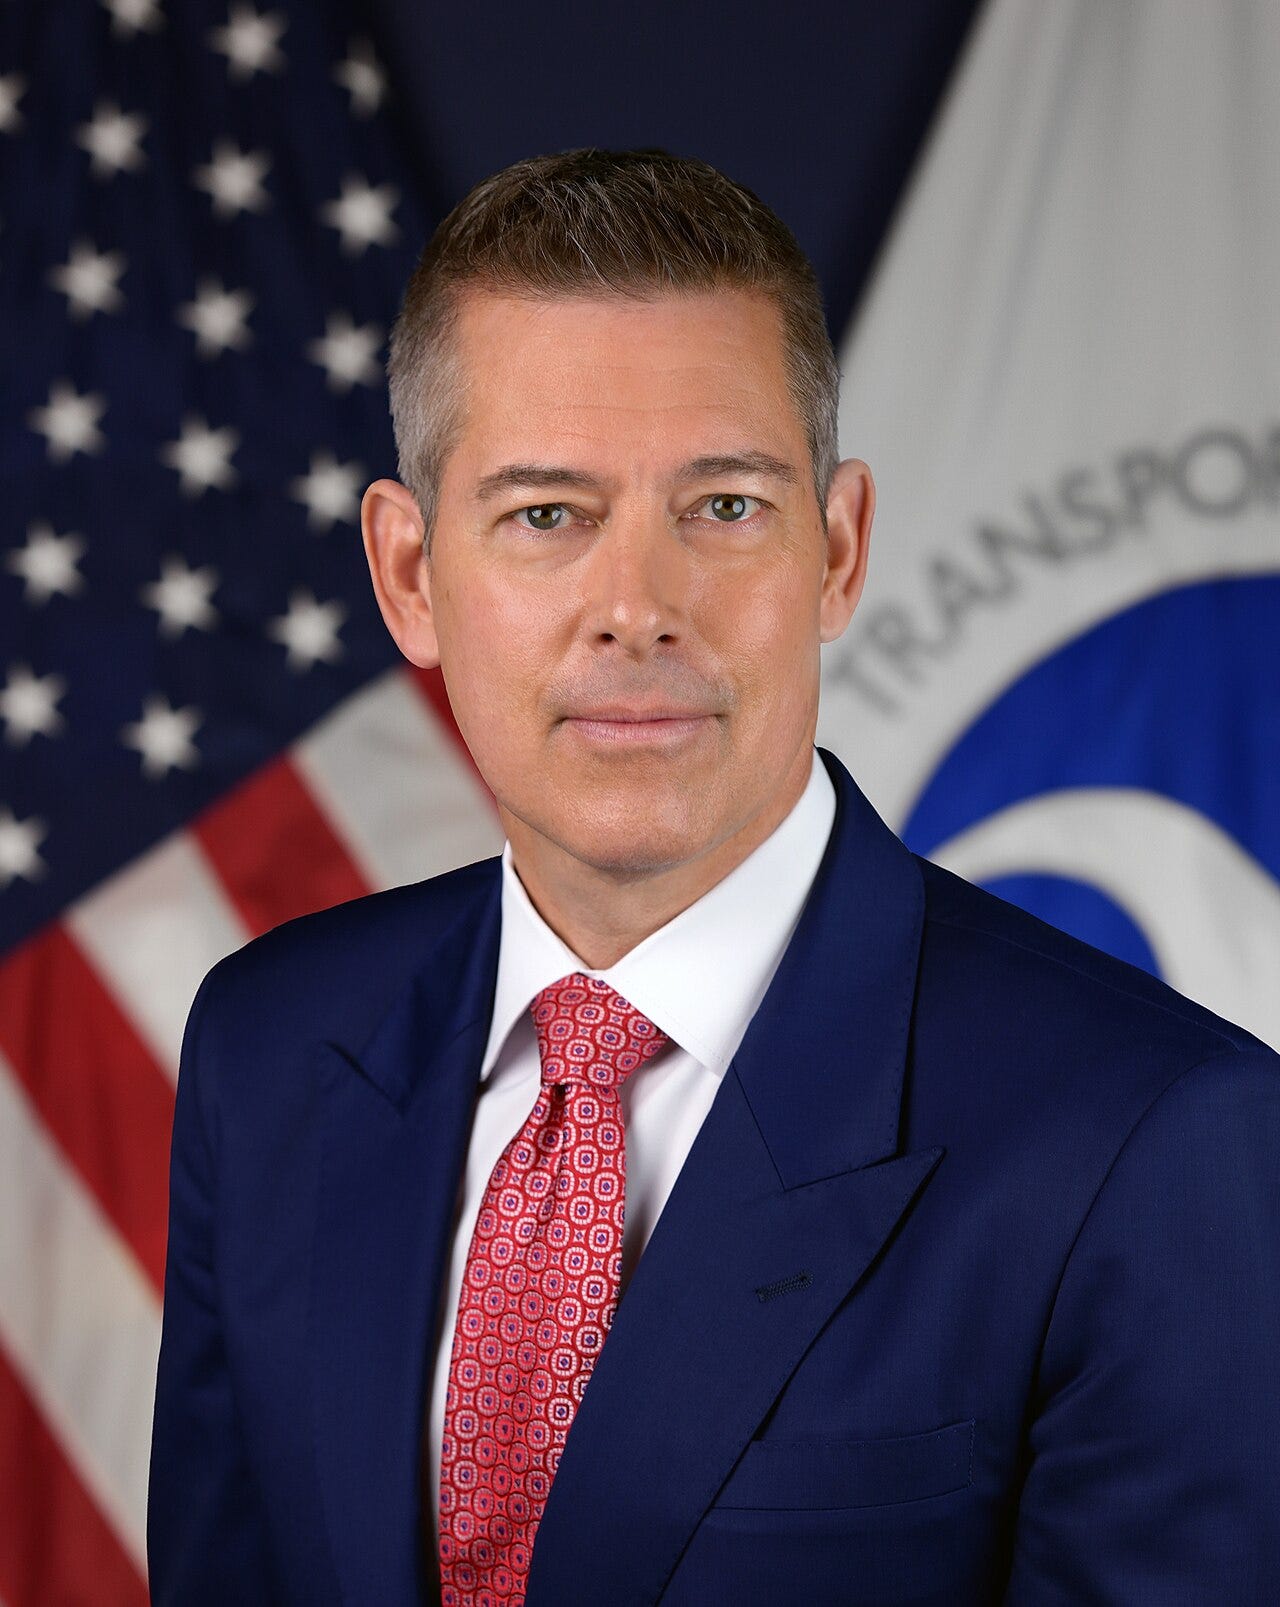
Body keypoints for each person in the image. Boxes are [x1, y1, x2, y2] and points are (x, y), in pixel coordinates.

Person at [147, 149, 1280, 1606]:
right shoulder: (272, 1042)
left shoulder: (1150, 1141)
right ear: (413, 578)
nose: (638, 609)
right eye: (548, 516)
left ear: (840, 548)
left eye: (726, 507)